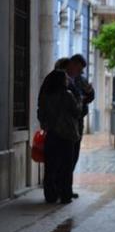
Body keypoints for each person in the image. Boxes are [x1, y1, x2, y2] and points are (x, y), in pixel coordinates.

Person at [37, 69, 82, 204]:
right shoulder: (67, 95)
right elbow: (77, 112)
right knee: (66, 167)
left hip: (51, 134)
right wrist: (79, 99)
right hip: (66, 134)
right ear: (61, 81)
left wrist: (46, 125)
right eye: (66, 79)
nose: (68, 80)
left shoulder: (45, 95)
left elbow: (40, 113)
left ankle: (50, 195)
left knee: (50, 166)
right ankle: (65, 195)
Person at [66, 54, 95, 197]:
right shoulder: (61, 78)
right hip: (65, 122)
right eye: (79, 68)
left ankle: (67, 188)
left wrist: (89, 92)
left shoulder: (80, 80)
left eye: (82, 69)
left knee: (74, 155)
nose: (80, 71)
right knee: (64, 157)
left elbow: (90, 97)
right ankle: (60, 189)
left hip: (78, 121)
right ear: (72, 64)